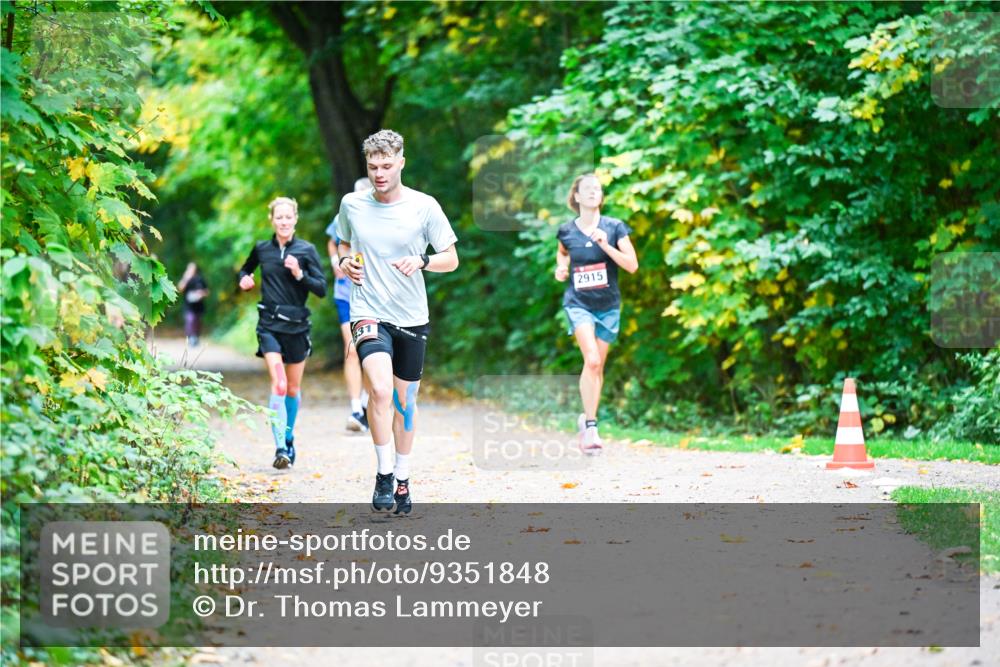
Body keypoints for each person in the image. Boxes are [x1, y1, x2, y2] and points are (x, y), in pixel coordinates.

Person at [336, 129, 459, 514]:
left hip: (411, 316)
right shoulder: (352, 205)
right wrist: (343, 261)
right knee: (380, 391)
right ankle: (384, 473)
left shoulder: (424, 206)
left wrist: (422, 261)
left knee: (405, 402)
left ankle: (403, 478)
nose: (379, 173)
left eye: (387, 166)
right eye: (373, 167)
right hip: (368, 311)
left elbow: (450, 258)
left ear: (401, 162)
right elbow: (343, 243)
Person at [238, 197, 327, 469]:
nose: (284, 222)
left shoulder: (306, 250)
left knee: (293, 388)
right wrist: (244, 279)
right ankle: (279, 448)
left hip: (298, 326)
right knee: (279, 384)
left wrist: (300, 274)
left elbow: (322, 288)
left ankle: (288, 439)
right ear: (272, 220)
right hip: (269, 325)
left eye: (288, 217)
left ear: (295, 219)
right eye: (279, 217)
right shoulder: (262, 249)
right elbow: (245, 268)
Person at [554, 173, 638, 455]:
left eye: (597, 189)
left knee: (597, 366)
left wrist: (606, 245)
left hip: (609, 305)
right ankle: (591, 426)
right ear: (576, 196)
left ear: (601, 197)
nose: (593, 192)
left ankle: (586, 420)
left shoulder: (615, 228)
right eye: (586, 189)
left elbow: (632, 266)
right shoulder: (566, 230)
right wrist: (561, 267)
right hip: (578, 303)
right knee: (590, 360)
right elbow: (563, 253)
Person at [327, 177, 373, 433]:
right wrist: (337, 262)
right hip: (346, 294)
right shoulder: (343, 217)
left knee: (372, 351)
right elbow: (332, 241)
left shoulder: (382, 220)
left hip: (376, 295)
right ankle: (356, 407)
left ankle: (368, 404)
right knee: (353, 348)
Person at [178, 262, 209, 347]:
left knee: (198, 322)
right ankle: (191, 337)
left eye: (193, 268)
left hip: (198, 305)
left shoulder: (200, 279)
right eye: (190, 268)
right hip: (188, 306)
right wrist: (185, 278)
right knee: (190, 320)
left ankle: (196, 337)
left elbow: (207, 291)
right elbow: (180, 289)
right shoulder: (186, 279)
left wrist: (201, 293)